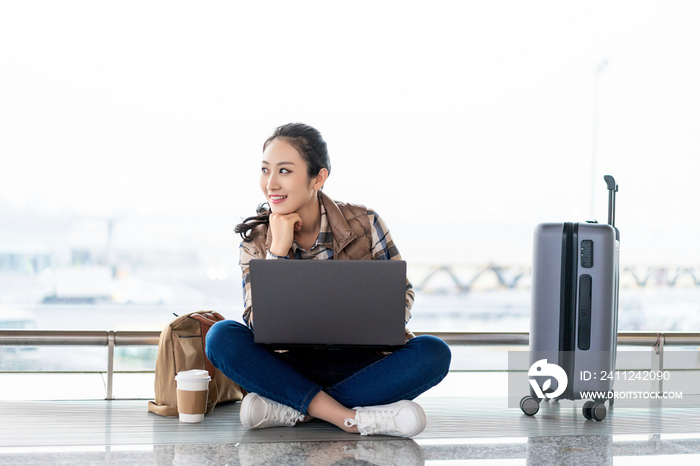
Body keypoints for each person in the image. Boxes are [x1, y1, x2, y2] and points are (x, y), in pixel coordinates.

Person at [206, 123, 451, 437]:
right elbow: (257, 324)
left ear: (318, 178)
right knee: (221, 337)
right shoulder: (256, 240)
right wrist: (277, 251)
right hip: (289, 364)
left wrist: (374, 322)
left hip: (364, 364)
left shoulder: (365, 222)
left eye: (284, 171)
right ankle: (348, 416)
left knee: (434, 352)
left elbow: (401, 293)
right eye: (265, 170)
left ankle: (299, 408)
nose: (271, 184)